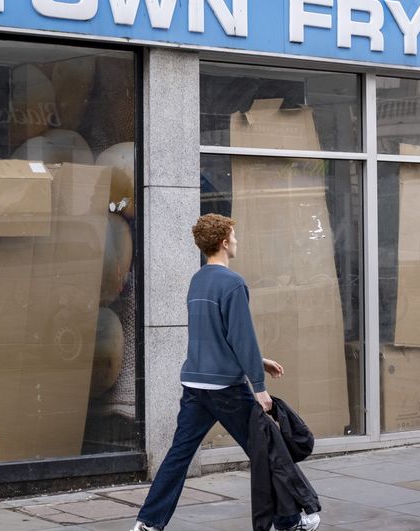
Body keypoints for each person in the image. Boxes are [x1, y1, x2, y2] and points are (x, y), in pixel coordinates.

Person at [130, 213, 320, 531]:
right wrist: (259, 388)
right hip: (225, 388)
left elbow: (214, 334)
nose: (236, 240)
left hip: (195, 383)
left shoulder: (198, 279)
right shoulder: (232, 283)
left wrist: (257, 362)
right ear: (223, 242)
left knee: (179, 455)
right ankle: (294, 519)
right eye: (233, 235)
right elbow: (240, 336)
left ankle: (148, 523)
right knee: (268, 448)